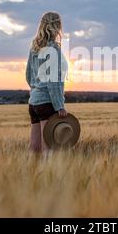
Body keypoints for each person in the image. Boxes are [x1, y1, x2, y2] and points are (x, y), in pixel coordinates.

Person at [25, 11, 68, 153]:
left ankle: (30, 173)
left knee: (34, 149)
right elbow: (53, 82)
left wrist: (36, 90)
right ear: (57, 26)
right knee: (48, 149)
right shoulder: (53, 50)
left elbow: (28, 75)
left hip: (34, 103)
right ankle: (46, 175)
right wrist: (59, 106)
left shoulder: (35, 47)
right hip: (47, 104)